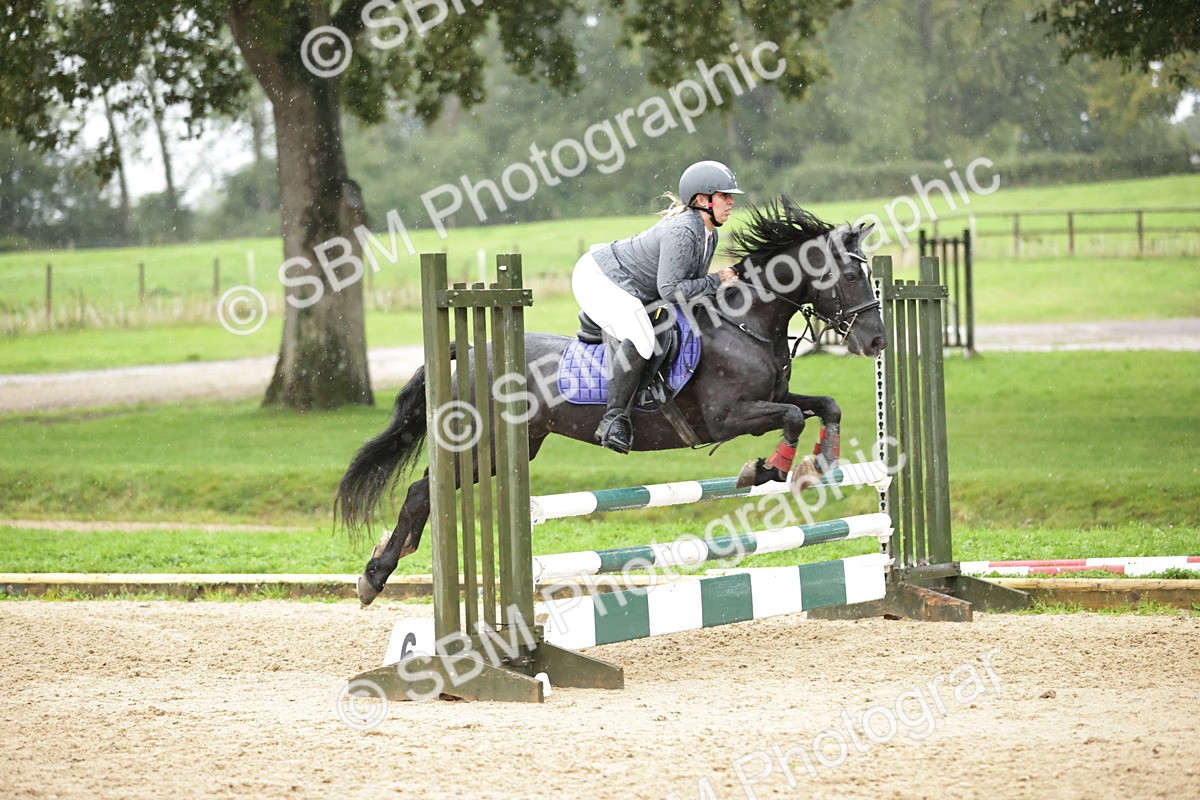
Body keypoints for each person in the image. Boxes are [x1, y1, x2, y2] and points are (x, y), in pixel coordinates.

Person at [571, 160, 744, 453]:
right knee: (642, 337)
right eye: (724, 195)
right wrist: (718, 280)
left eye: (730, 196)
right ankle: (613, 420)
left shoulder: (708, 233)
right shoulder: (682, 231)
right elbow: (672, 290)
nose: (731, 201)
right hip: (599, 278)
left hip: (632, 287)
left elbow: (692, 285)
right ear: (702, 200)